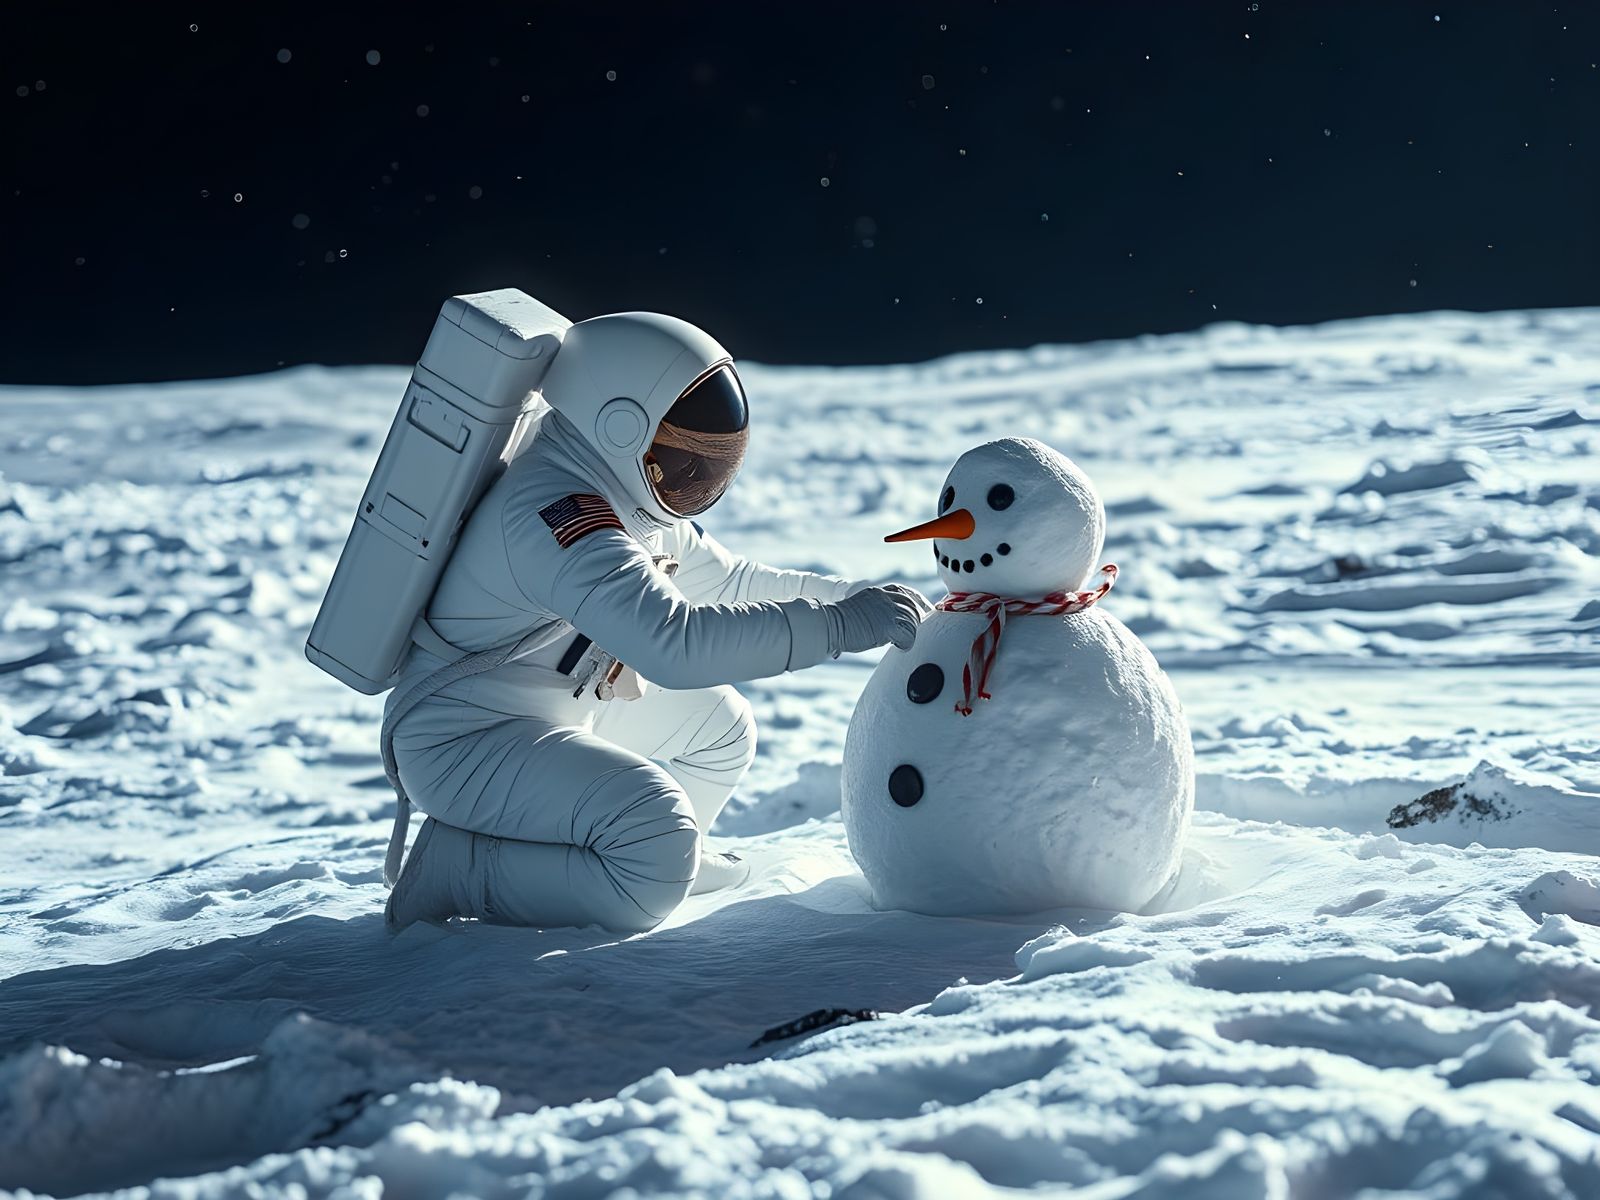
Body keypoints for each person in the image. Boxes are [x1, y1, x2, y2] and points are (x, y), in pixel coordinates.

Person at [384, 311, 931, 932]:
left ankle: (665, 855)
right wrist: (838, 626)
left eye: (710, 460)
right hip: (465, 743)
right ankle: (463, 867)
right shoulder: (558, 514)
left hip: (544, 708)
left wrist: (858, 599)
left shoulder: (616, 485)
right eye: (684, 455)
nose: (696, 476)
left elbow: (729, 581)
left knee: (721, 730)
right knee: (653, 852)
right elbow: (673, 645)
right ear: (620, 428)